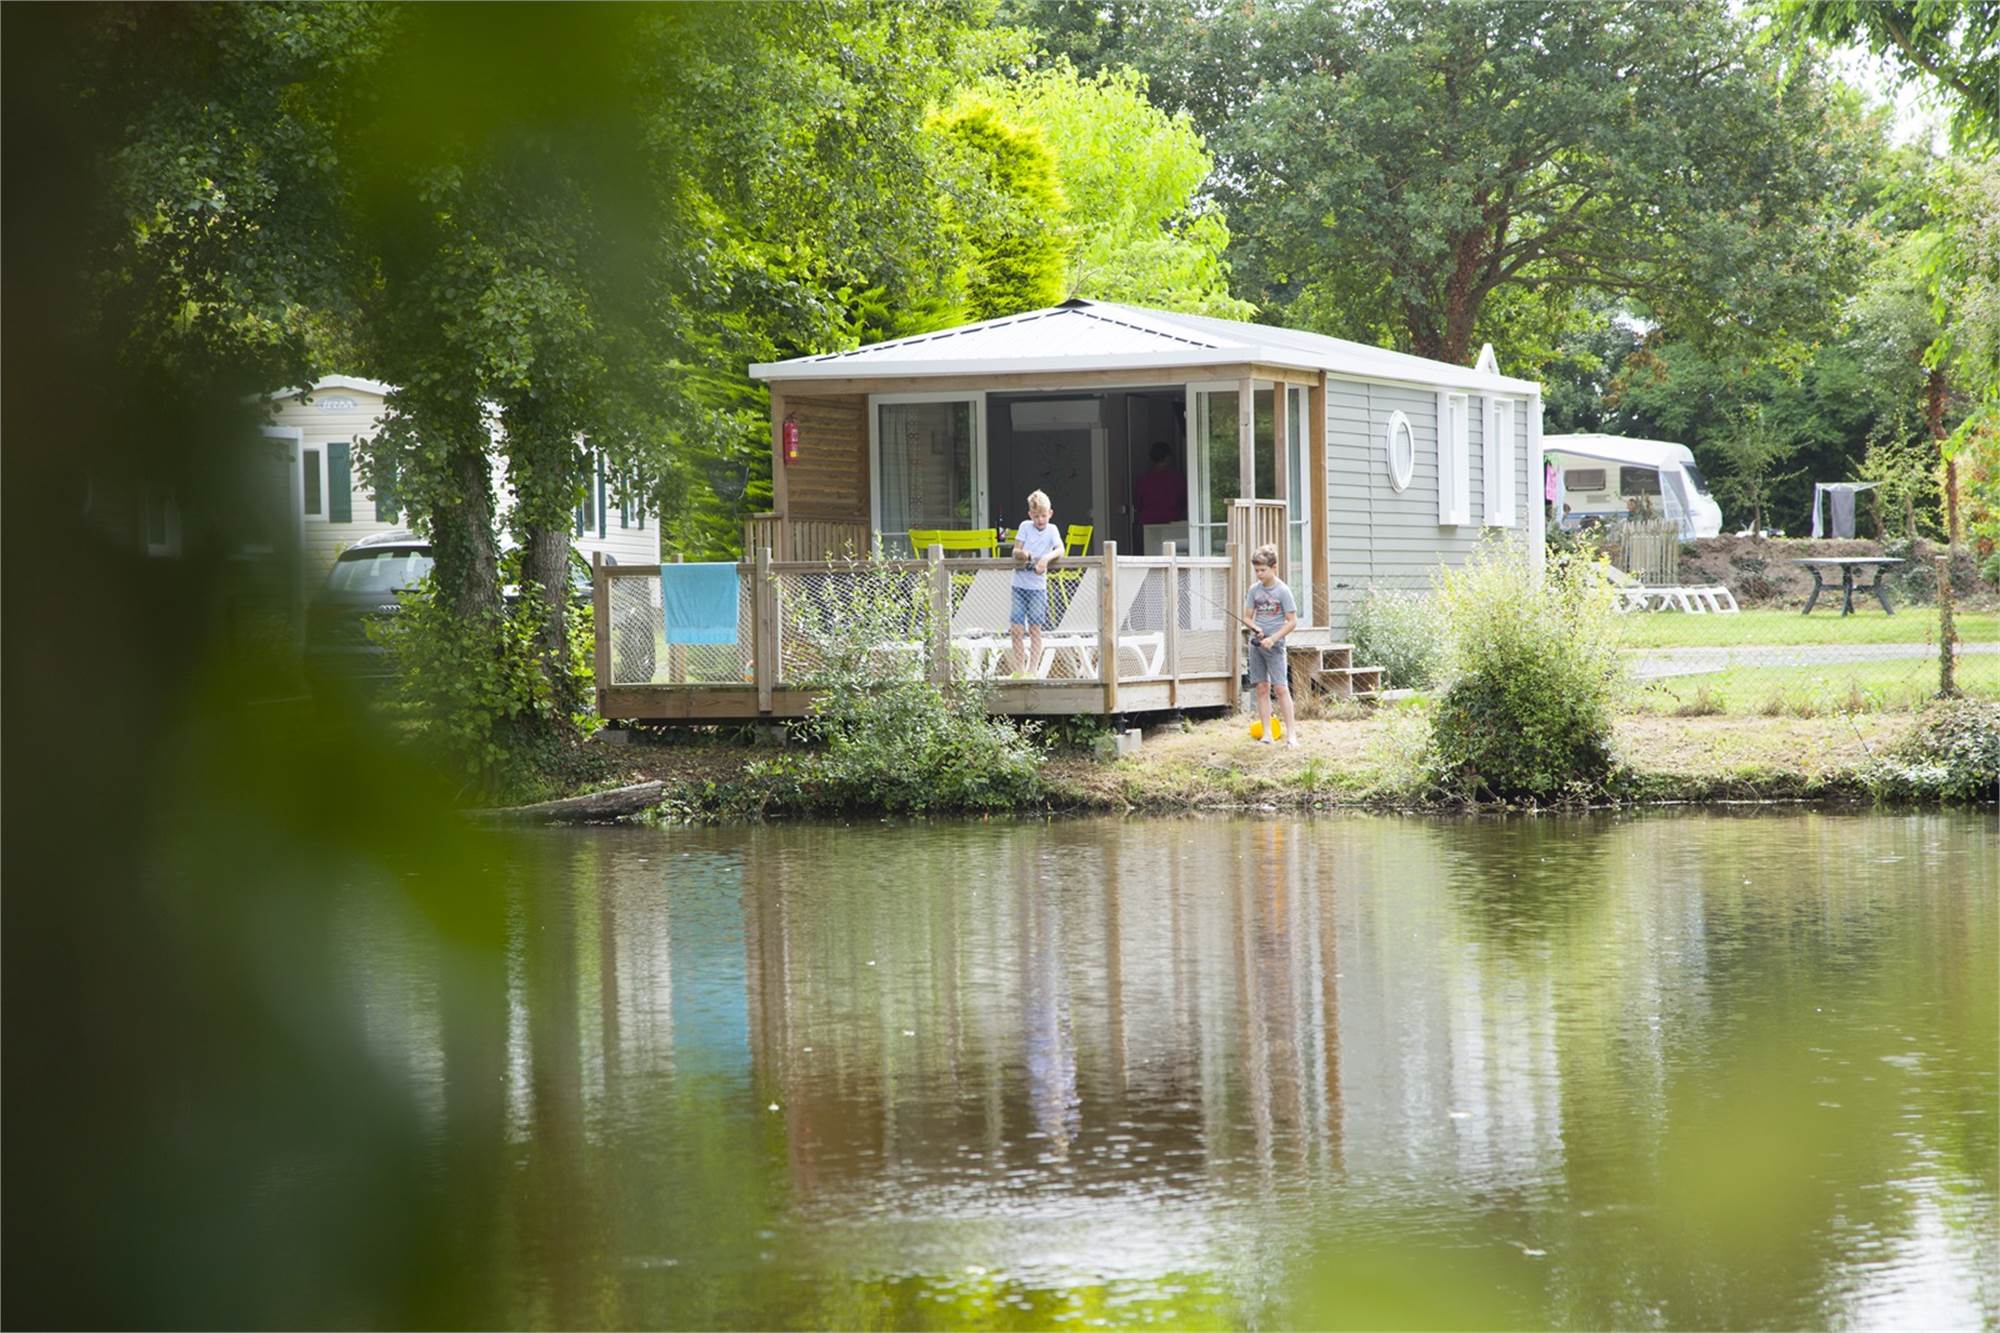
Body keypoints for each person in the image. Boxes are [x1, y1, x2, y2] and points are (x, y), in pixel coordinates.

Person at [1244, 543, 1298, 747]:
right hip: (1257, 644)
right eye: (1256, 570)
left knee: (1281, 688)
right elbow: (1247, 617)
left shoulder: (1283, 590)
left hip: (1275, 646)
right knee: (1261, 687)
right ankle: (1267, 734)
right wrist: (1256, 628)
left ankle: (1291, 735)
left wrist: (1273, 639)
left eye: (1262, 570)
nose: (1259, 574)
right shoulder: (1254, 590)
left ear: (1274, 567)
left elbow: (1291, 622)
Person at [1010, 489, 1063, 674]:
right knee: (1016, 629)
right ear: (1030, 515)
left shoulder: (1052, 530)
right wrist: (1023, 554)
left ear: (1050, 513)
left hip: (1037, 588)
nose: (1040, 520)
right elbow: (1015, 550)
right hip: (1019, 585)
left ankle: (1032, 669)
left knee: (1035, 629)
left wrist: (1046, 559)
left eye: (1043, 516)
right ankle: (1019, 670)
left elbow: (1060, 549)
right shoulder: (1025, 527)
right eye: (1036, 516)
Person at [1133, 441, 1186, 552]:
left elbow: (1138, 503)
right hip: (1171, 523)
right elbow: (1182, 501)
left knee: (1148, 554)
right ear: (1167, 457)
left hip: (1147, 523)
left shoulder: (1143, 480)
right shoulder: (1176, 479)